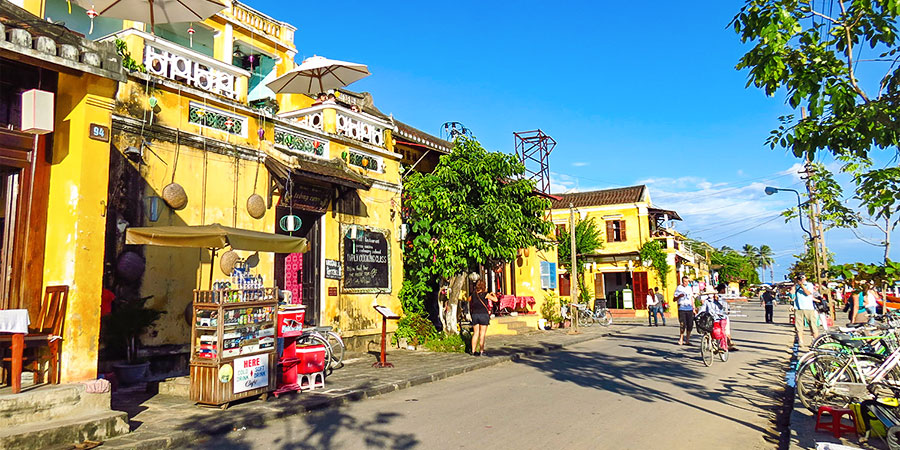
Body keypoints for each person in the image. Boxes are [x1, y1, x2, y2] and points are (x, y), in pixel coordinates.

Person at [699, 283, 736, 349]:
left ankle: (723, 346)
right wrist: (698, 315)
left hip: (721, 318)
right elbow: (702, 309)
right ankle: (713, 344)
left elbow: (724, 307)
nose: (710, 295)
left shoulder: (719, 299)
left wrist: (718, 300)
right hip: (711, 319)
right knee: (710, 330)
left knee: (723, 330)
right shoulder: (707, 302)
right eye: (708, 294)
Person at [468, 280, 497, 356]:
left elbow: (468, 300)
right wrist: (493, 294)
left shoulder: (473, 295)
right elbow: (495, 300)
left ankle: (473, 351)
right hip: (483, 315)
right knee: (482, 334)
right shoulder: (486, 294)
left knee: (475, 333)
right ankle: (481, 351)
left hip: (475, 315)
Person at [793, 274, 820, 347]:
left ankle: (815, 340)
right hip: (798, 308)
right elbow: (791, 292)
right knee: (799, 326)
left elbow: (808, 293)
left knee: (813, 325)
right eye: (800, 277)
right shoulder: (796, 285)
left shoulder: (809, 284)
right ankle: (800, 341)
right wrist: (795, 282)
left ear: (806, 278)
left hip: (808, 308)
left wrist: (802, 285)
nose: (801, 279)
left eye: (802, 277)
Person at [675, 276, 695, 345]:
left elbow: (691, 298)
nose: (686, 283)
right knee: (682, 324)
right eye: (684, 281)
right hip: (682, 308)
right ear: (682, 281)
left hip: (689, 308)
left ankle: (687, 340)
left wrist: (693, 308)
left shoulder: (689, 288)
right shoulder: (679, 288)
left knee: (690, 325)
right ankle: (681, 338)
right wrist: (679, 296)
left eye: (687, 281)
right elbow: (674, 299)